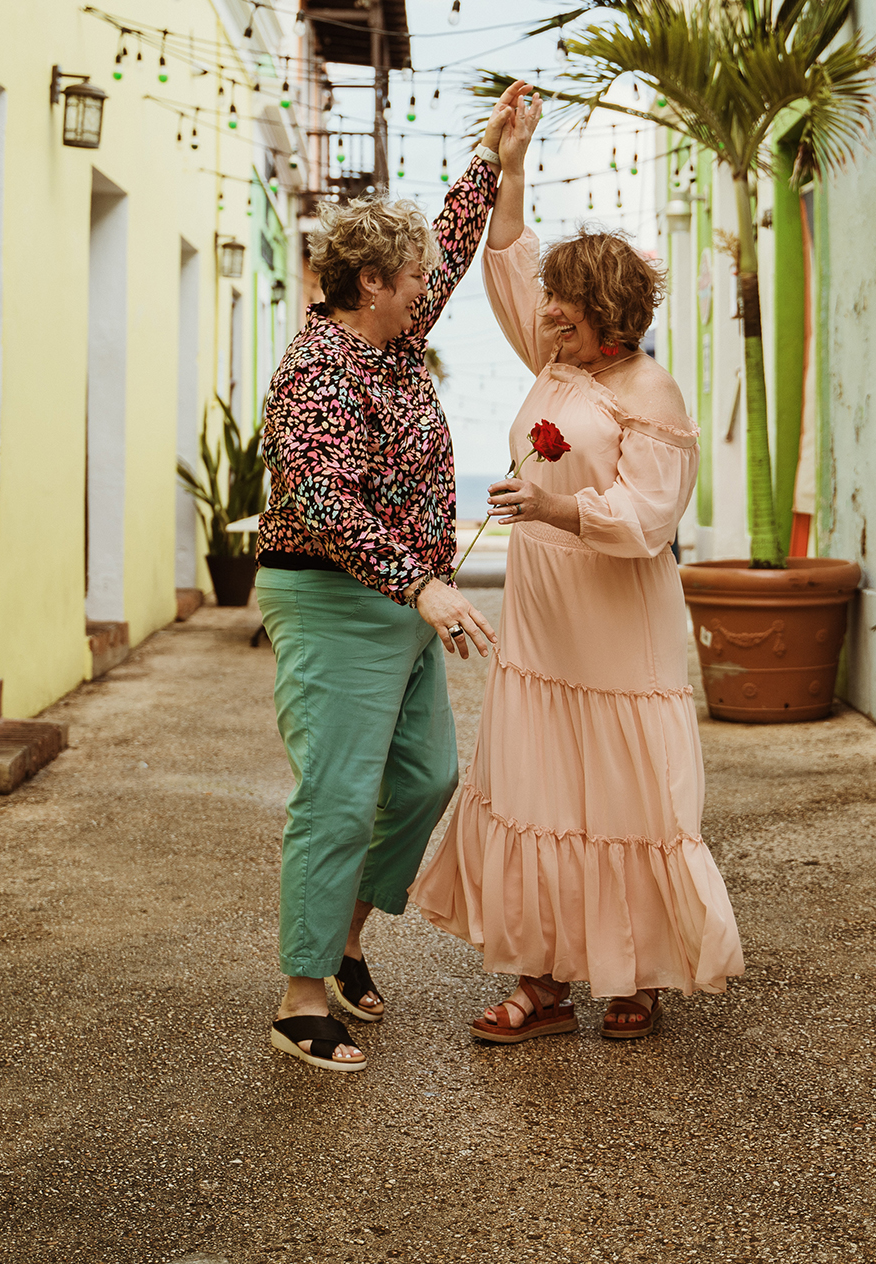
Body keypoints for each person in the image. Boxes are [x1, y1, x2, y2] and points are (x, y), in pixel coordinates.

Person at [412, 184, 744, 1042]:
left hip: (616, 623)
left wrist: (554, 507)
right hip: (543, 622)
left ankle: (637, 975)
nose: (546, 311)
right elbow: (512, 261)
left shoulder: (652, 394)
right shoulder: (559, 359)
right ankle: (543, 983)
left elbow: (647, 522)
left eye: (563, 303)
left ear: (605, 314)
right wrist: (511, 169)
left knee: (627, 795)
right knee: (540, 790)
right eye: (549, 301)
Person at [256, 83, 542, 1072]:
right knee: (337, 795)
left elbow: (458, 245)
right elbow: (327, 502)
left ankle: (342, 942)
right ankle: (301, 995)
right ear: (371, 280)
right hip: (334, 598)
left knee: (425, 779)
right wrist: (418, 584)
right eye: (412, 273)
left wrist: (498, 155)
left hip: (406, 600)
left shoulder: (397, 339)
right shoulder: (313, 373)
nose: (429, 282)